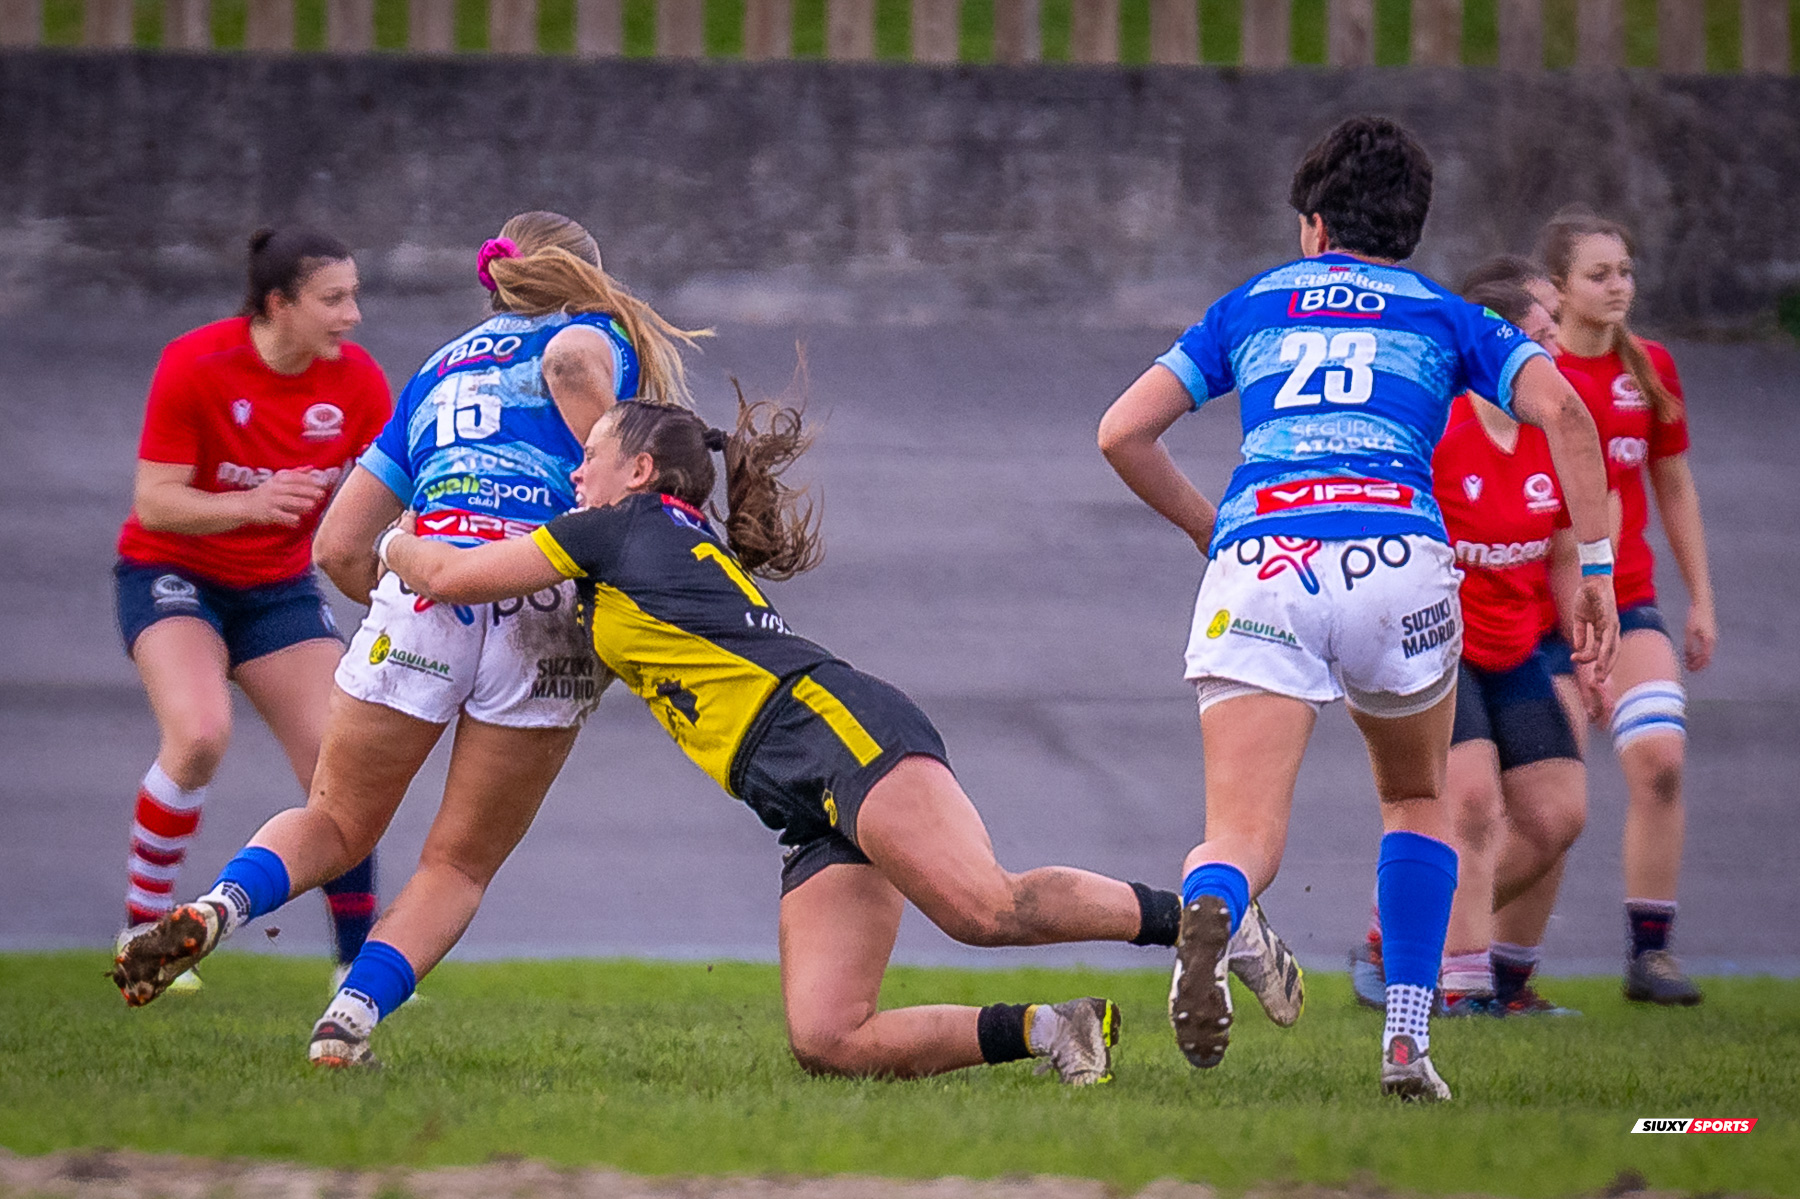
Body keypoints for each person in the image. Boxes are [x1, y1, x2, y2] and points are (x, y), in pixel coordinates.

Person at [124, 387, 1304, 1083]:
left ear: (636, 471)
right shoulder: (650, 529)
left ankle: (1207, 916)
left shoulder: (618, 525)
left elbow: (446, 567)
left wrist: (381, 534)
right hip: (793, 792)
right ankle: (1058, 1034)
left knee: (981, 907)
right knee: (827, 1038)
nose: (572, 468)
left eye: (589, 454)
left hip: (838, 731)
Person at [1097, 116, 1619, 1101]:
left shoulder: (1252, 305)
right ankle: (1407, 1043)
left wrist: (1221, 531)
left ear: (1314, 224)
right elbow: (1567, 412)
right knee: (1416, 801)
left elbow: (1123, 432)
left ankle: (1212, 904)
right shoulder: (1443, 314)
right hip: (1397, 564)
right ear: (1412, 229)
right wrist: (1593, 565)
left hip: (1263, 558)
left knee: (1243, 830)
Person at [111, 210, 698, 1044]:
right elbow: (570, 361)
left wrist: (405, 597)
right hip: (541, 604)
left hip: (423, 592)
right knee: (457, 863)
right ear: (588, 280)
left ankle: (218, 904)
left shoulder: (437, 368)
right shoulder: (596, 334)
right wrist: (618, 496)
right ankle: (346, 1022)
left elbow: (339, 546)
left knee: (336, 819)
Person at [112, 227, 392, 989]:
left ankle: (352, 964)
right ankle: (145, 930)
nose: (353, 315)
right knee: (200, 734)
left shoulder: (358, 384)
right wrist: (256, 500)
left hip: (278, 588)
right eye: (334, 299)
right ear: (279, 304)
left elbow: (394, 495)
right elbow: (155, 502)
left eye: (354, 296)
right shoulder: (198, 363)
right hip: (173, 575)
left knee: (344, 759)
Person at [1349, 279, 1595, 1018]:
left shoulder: (1555, 429)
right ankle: (1458, 985)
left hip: (1515, 648)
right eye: (1541, 330)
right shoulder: (1443, 428)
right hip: (1435, 648)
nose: (1557, 341)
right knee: (1474, 803)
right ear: (1499, 344)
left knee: (1557, 816)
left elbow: (1560, 547)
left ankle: (1398, 925)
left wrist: (1582, 635)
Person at [1539, 209, 1716, 1006]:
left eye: (1625, 272)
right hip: (1543, 613)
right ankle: (1497, 972)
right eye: (1599, 274)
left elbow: (1673, 485)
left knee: (1661, 761)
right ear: (1558, 289)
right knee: (1546, 798)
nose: (1619, 288)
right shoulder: (1535, 376)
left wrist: (1701, 599)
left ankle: (1651, 952)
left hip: (1629, 600)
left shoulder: (1653, 369)